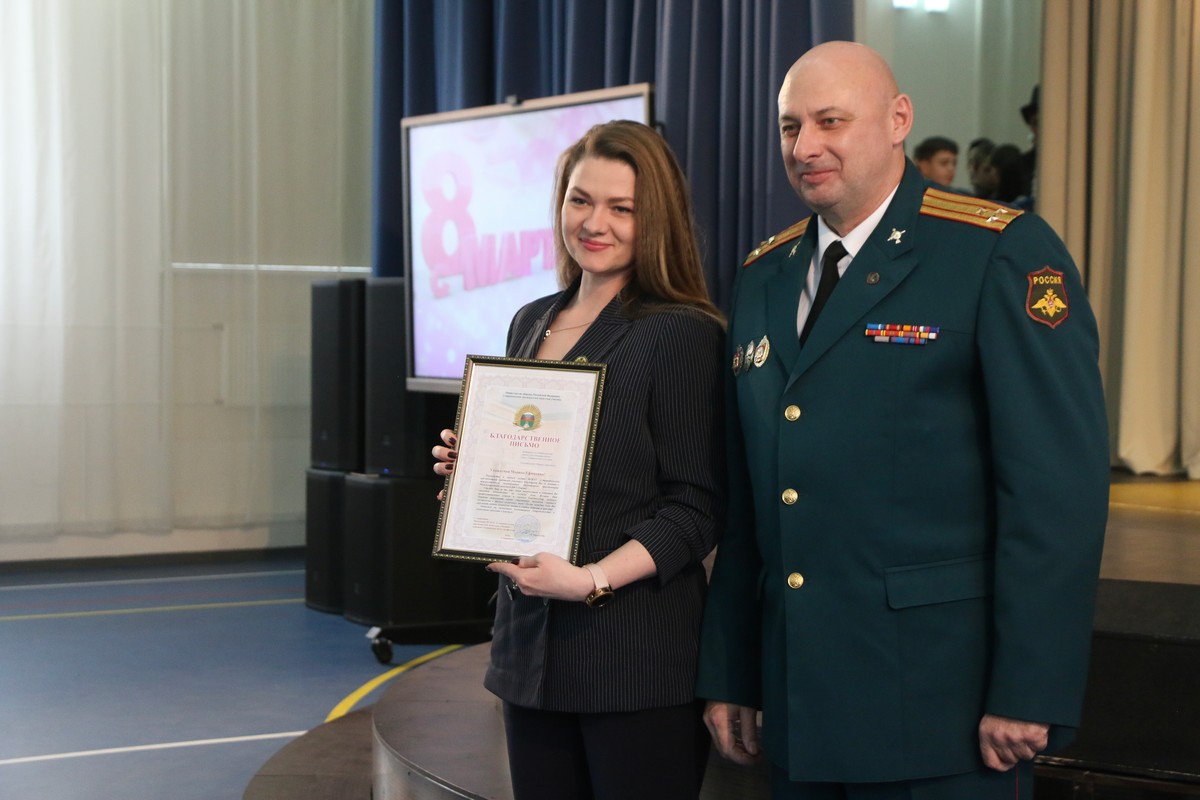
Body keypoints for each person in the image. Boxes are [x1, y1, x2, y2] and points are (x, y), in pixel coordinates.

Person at [696, 41, 1109, 800]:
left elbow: (1055, 493)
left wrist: (1031, 687)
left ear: (898, 120)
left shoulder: (997, 251)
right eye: (790, 126)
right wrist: (733, 669)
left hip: (941, 707)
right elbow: (751, 502)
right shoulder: (763, 274)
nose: (805, 147)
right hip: (799, 705)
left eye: (830, 121)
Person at [432, 120, 725, 800]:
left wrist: (590, 579)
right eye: (580, 200)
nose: (594, 223)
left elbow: (696, 508)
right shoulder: (531, 319)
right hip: (528, 656)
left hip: (633, 663)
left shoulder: (680, 332)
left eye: (622, 208)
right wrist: (473, 472)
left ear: (657, 219)